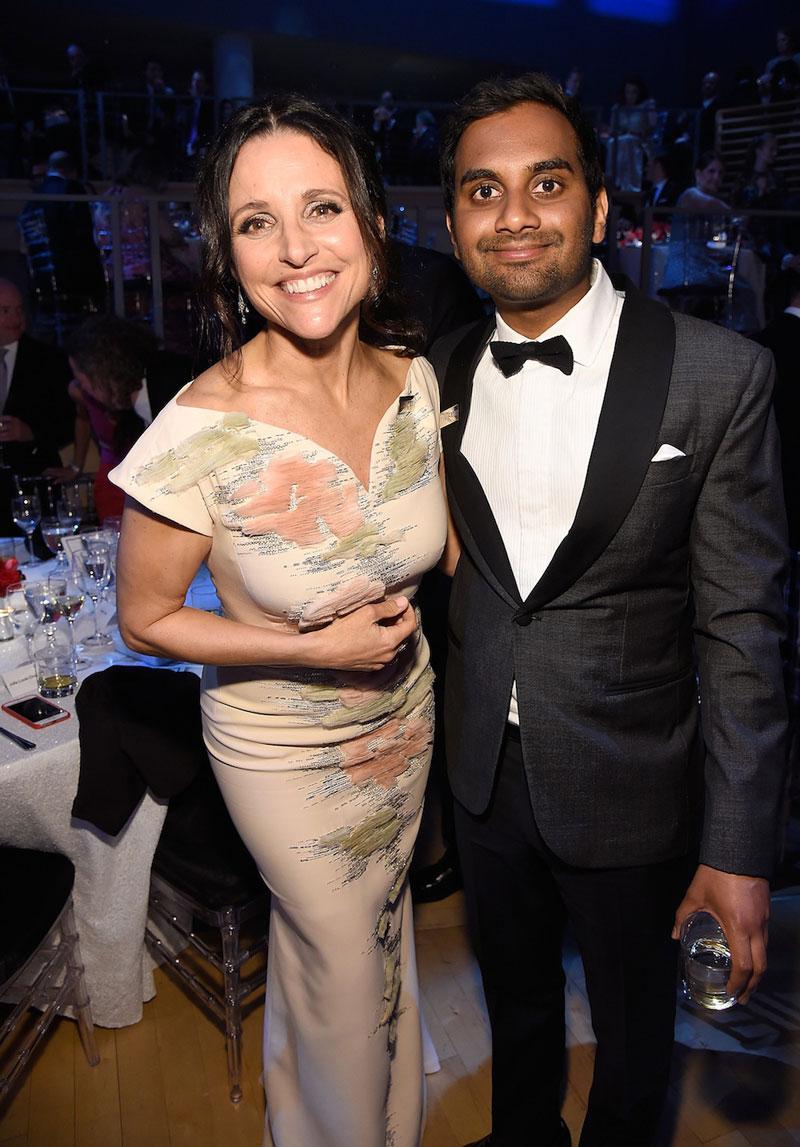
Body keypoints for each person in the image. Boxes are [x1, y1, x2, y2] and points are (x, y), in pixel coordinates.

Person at [431, 72, 787, 1147]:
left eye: (545, 182)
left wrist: (735, 850)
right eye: (480, 191)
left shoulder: (717, 376)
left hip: (632, 783)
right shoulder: (433, 374)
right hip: (481, 777)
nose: (514, 214)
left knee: (635, 1034)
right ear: (453, 223)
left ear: (593, 206)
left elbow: (743, 632)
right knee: (516, 1001)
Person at [109, 96, 455, 1147]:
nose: (296, 248)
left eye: (321, 208)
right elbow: (144, 618)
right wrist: (307, 644)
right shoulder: (198, 428)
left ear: (373, 225)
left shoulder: (414, 379)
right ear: (225, 252)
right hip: (282, 750)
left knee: (373, 948)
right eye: (257, 222)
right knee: (342, 970)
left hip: (404, 726)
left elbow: (437, 547)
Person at [48, 316, 158, 522]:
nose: (81, 388)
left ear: (100, 373)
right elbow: (83, 419)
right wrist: (74, 466)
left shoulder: (159, 398)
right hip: (118, 474)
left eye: (81, 380)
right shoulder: (130, 398)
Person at [660, 150, 759, 331]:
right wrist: (736, 216)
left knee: (743, 287)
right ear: (698, 173)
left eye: (721, 173)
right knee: (742, 288)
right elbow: (710, 206)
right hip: (686, 270)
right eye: (711, 171)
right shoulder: (691, 195)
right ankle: (744, 336)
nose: (717, 177)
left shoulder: (711, 203)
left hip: (700, 265)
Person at [0, 278, 74, 477]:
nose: (16, 319)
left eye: (19, 309)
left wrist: (30, 432)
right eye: (5, 311)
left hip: (33, 475)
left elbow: (70, 421)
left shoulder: (48, 359)